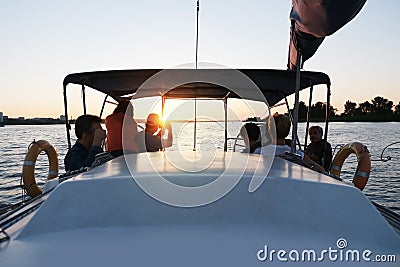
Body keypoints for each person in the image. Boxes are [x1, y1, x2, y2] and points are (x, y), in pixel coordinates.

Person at [254, 113, 325, 172]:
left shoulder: (259, 152)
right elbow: (322, 170)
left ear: (269, 131)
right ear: (287, 132)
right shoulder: (298, 155)